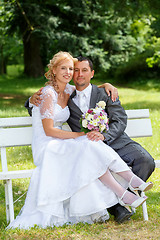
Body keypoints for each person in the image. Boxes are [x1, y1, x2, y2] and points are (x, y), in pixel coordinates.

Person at [7, 51, 153, 229]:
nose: (71, 73)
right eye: (68, 69)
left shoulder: (73, 91)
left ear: (91, 73)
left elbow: (93, 93)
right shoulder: (52, 93)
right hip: (49, 144)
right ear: (53, 70)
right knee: (88, 146)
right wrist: (30, 100)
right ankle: (125, 192)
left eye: (72, 69)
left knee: (94, 149)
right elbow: (46, 124)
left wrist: (107, 85)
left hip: (94, 141)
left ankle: (125, 194)